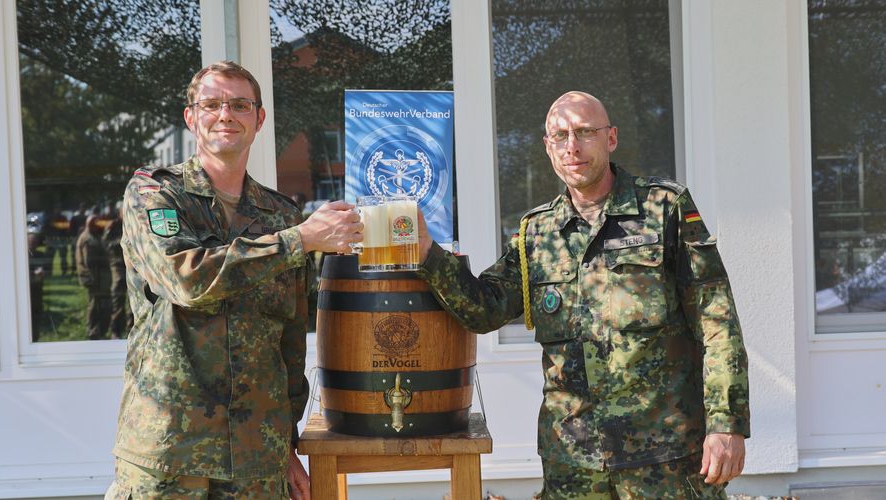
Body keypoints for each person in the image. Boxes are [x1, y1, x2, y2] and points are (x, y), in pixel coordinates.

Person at [415, 91, 749, 498]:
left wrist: (726, 423)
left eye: (585, 132)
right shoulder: (537, 233)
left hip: (665, 455)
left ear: (611, 139)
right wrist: (426, 254)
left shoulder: (664, 209)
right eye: (560, 136)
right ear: (547, 147)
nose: (572, 146)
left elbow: (717, 322)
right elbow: (484, 308)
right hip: (573, 460)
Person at [107, 61, 363, 499]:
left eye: (240, 105)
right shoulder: (155, 194)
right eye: (211, 104)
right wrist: (300, 239)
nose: (225, 114)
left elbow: (289, 341)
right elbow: (185, 279)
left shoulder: (279, 215)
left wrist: (285, 445)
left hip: (256, 460)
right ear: (191, 117)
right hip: (170, 454)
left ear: (259, 119)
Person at [75, 214, 111, 340]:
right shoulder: (87, 239)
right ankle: (93, 332)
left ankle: (100, 331)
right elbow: (89, 261)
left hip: (100, 278)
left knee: (102, 305)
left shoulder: (95, 236)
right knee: (95, 306)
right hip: (94, 278)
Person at [102, 202, 129, 339]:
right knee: (118, 298)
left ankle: (131, 331)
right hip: (118, 264)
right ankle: (115, 331)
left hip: (132, 266)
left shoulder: (133, 223)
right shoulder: (113, 226)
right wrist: (122, 241)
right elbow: (106, 244)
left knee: (134, 303)